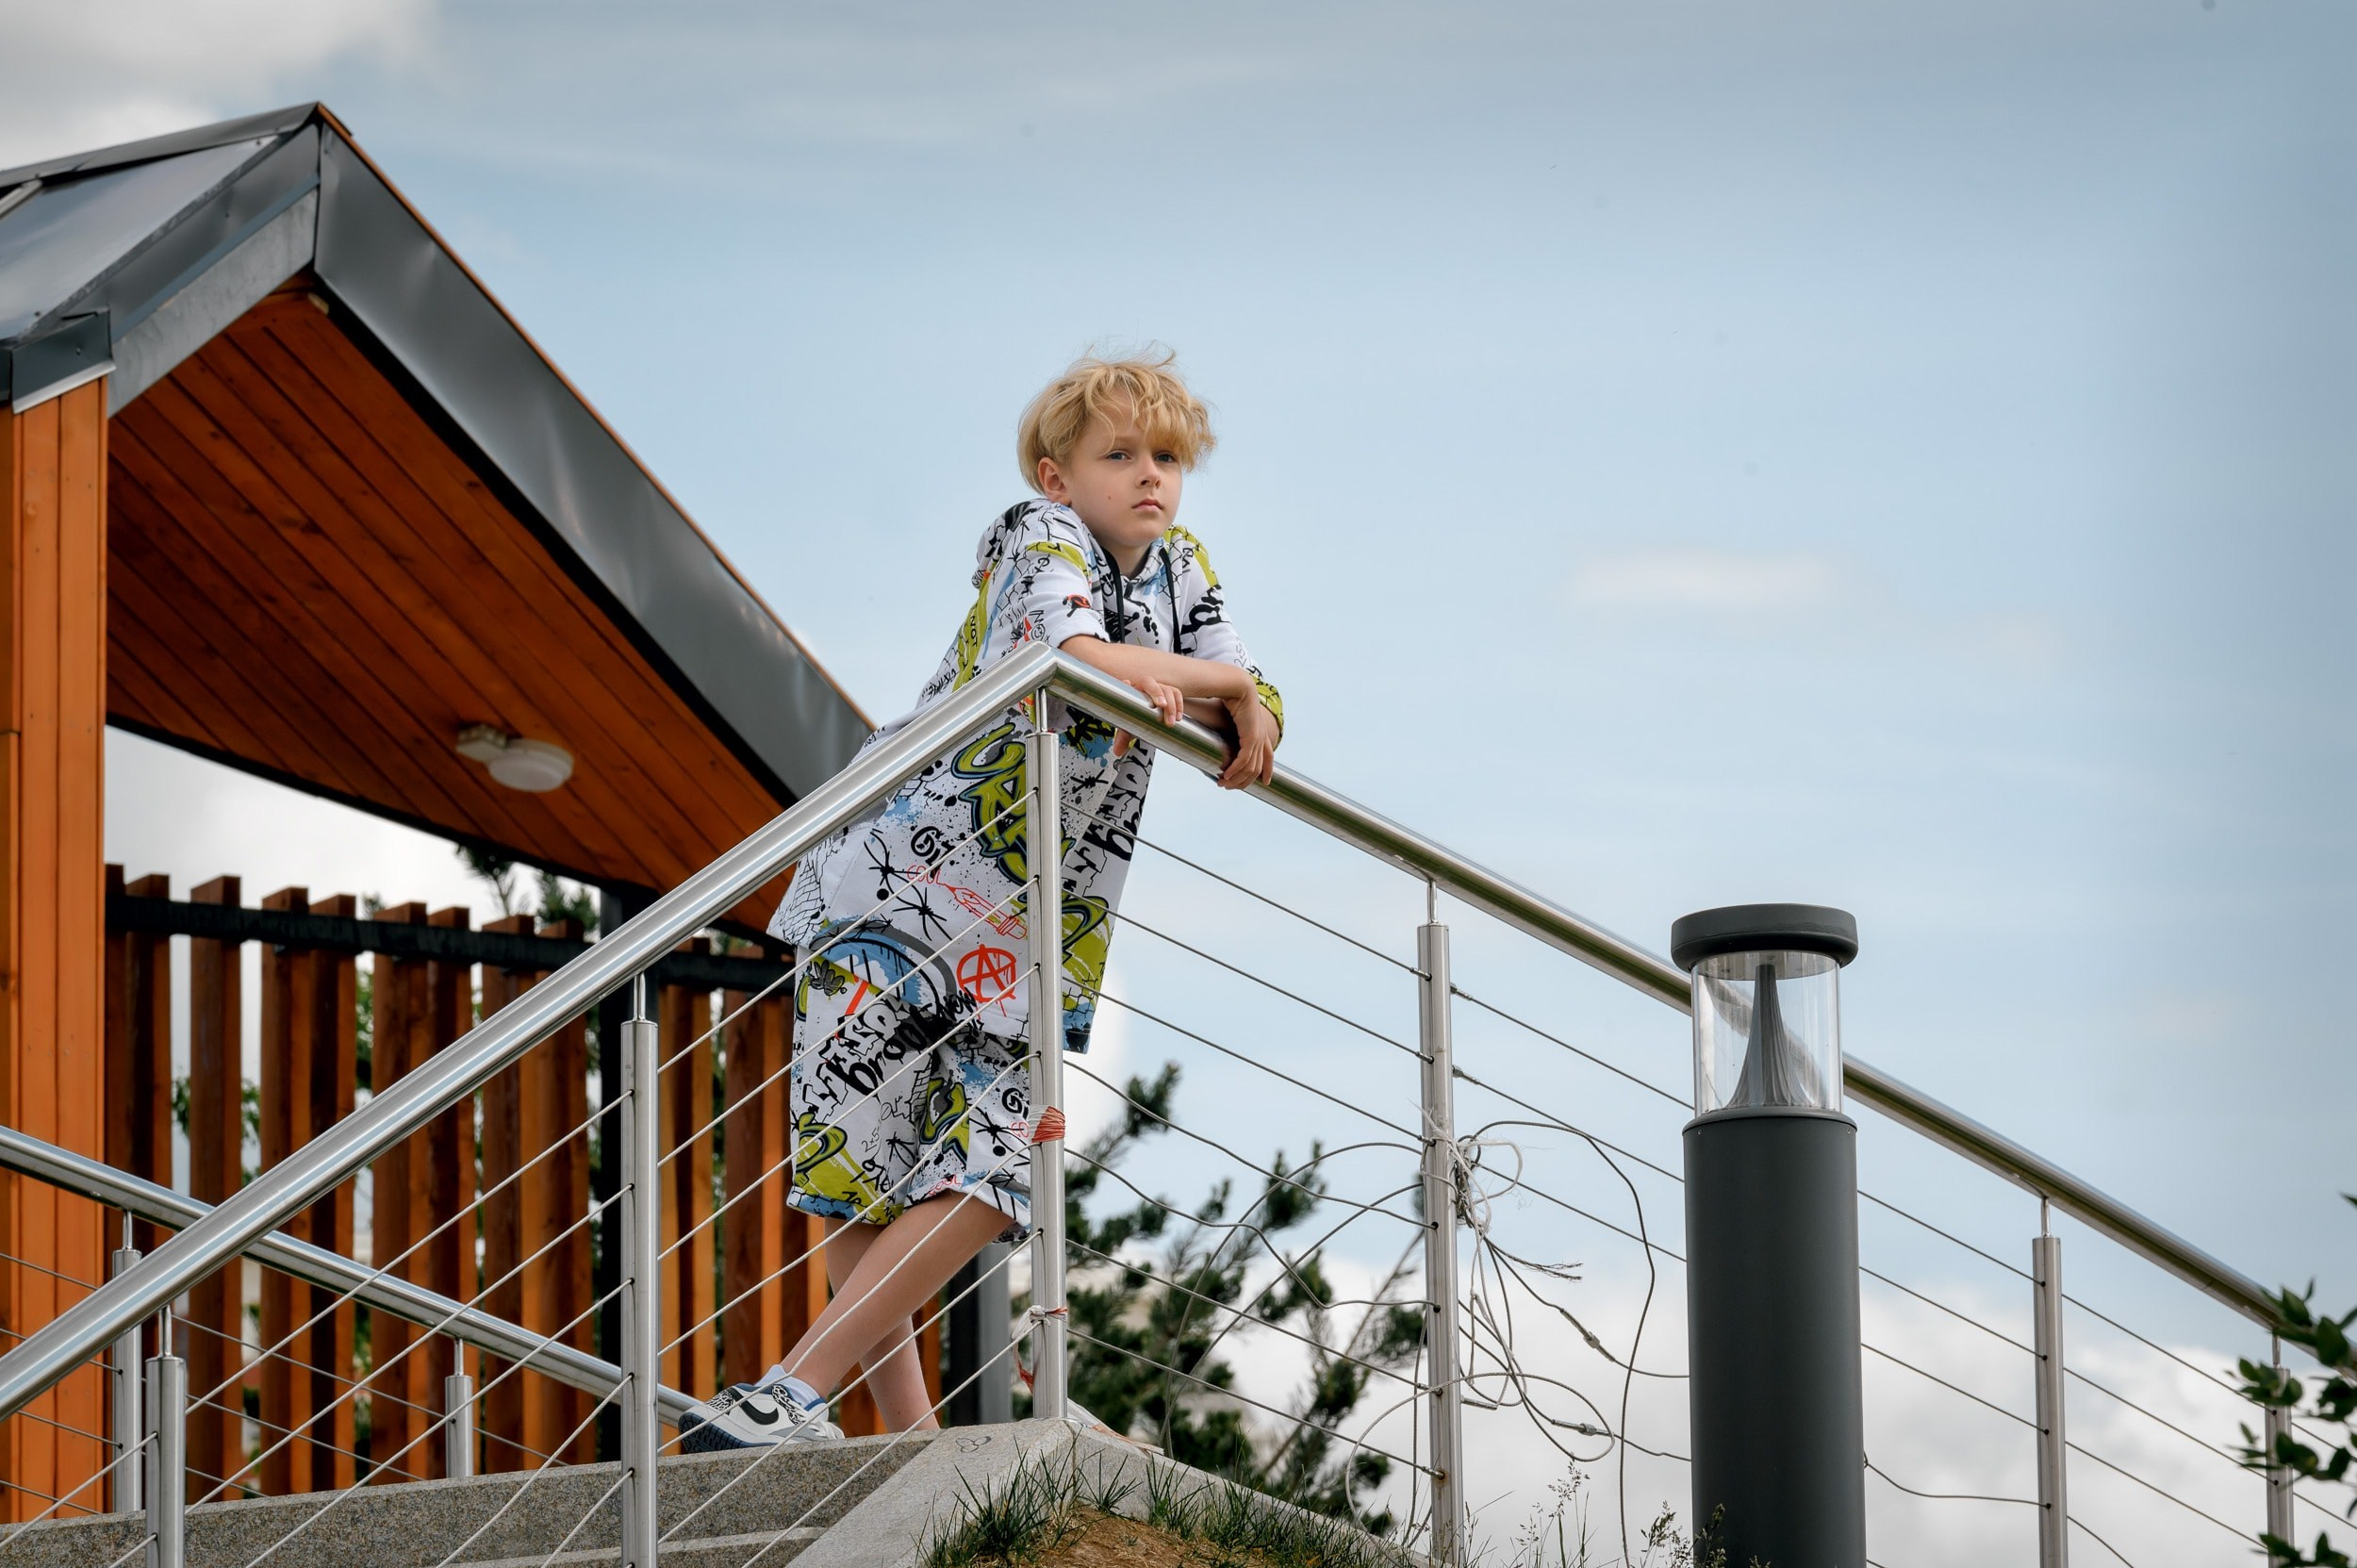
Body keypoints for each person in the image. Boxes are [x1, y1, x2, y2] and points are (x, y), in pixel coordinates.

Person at [677, 352, 1283, 1450]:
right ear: (1057, 476)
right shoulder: (1033, 534)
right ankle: (883, 1435)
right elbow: (1080, 652)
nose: (1150, 476)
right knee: (866, 1175)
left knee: (1003, 1162)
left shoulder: (1181, 568)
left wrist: (1221, 689)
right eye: (1118, 455)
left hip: (1028, 923)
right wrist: (1206, 684)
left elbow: (1254, 712)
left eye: (1166, 457)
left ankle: (804, 1401)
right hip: (887, 891)